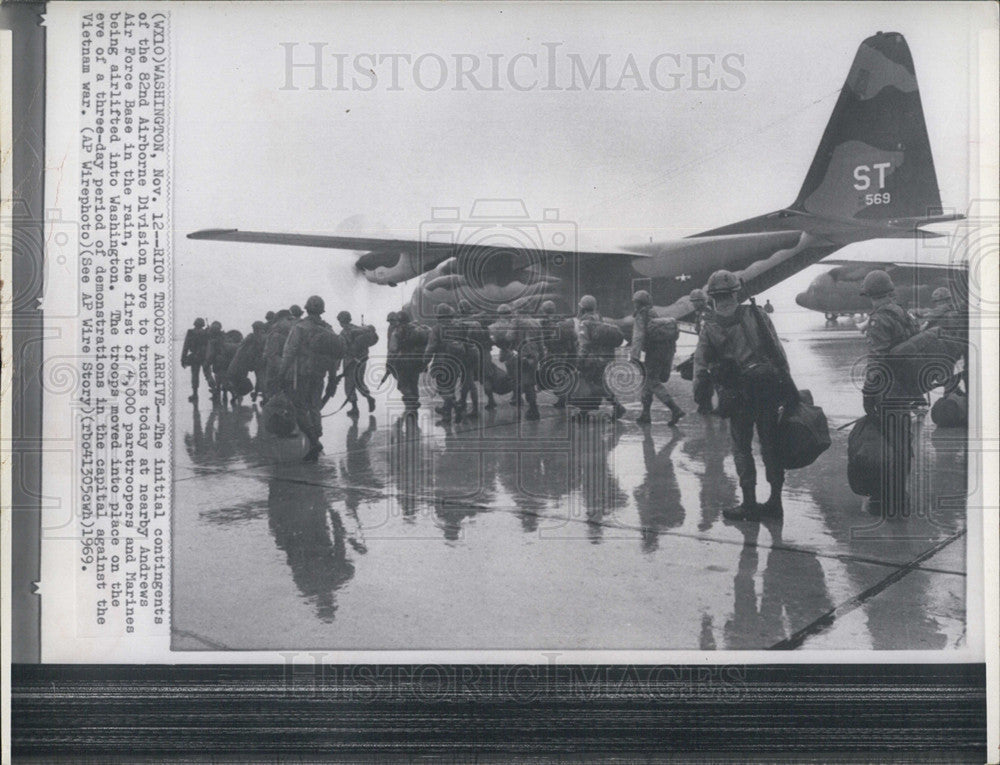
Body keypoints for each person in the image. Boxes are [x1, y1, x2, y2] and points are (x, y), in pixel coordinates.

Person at [694, 270, 798, 520]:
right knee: (770, 445)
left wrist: (702, 399)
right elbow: (777, 351)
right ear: (735, 292)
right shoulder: (756, 314)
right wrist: (787, 385)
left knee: (741, 448)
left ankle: (749, 503)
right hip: (766, 389)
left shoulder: (709, 327)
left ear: (713, 297)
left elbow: (700, 367)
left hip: (736, 395)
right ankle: (775, 502)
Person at [860, 269, 921, 516]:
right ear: (890, 291)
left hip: (887, 392)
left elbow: (877, 359)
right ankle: (900, 494)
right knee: (903, 443)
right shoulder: (904, 314)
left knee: (890, 445)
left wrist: (867, 391)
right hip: (905, 389)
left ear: (870, 294)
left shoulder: (879, 319)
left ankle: (891, 500)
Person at [280, 295, 343, 461]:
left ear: (306, 309)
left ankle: (314, 441)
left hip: (301, 373)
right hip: (320, 373)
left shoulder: (300, 327)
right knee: (315, 406)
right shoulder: (328, 328)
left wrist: (281, 373)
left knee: (299, 408)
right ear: (321, 310)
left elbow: (289, 352)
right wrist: (332, 378)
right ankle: (316, 437)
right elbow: (334, 356)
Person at [630, 290, 684, 425]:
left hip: (653, 354)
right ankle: (645, 414)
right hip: (666, 351)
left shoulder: (641, 315)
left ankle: (675, 409)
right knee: (647, 382)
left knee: (652, 381)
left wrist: (634, 357)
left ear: (637, 303)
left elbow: (638, 336)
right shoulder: (654, 313)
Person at [575, 295, 627, 419]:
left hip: (592, 359)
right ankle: (586, 411)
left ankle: (616, 406)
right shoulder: (600, 319)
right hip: (604, 358)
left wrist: (579, 361)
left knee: (588, 384)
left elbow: (584, 344)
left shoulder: (585, 323)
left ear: (582, 308)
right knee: (597, 383)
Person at [490, 303, 543, 420]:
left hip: (522, 355)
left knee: (525, 382)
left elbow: (509, 337)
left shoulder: (517, 322)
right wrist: (541, 357)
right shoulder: (536, 322)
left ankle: (533, 409)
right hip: (534, 356)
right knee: (530, 381)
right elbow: (540, 342)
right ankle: (531, 407)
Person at [423, 303, 465, 423]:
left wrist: (425, 361)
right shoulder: (458, 326)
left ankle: (457, 408)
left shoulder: (437, 329)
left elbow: (431, 347)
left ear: (439, 316)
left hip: (442, 363)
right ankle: (446, 414)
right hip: (456, 363)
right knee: (450, 388)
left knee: (443, 389)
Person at [337, 310, 377, 417]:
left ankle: (355, 408)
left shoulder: (344, 333)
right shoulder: (359, 329)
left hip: (350, 362)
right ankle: (369, 397)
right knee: (359, 381)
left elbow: (342, 350)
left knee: (349, 385)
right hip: (362, 360)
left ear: (341, 321)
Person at [538, 300, 576, 409]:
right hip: (565, 351)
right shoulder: (561, 319)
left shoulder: (544, 322)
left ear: (543, 310)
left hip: (553, 352)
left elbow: (542, 338)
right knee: (562, 374)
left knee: (558, 375)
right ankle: (566, 396)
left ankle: (562, 399)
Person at [391, 310, 428, 413]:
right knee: (413, 383)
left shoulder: (398, 331)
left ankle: (411, 401)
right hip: (417, 360)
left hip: (404, 361)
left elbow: (393, 348)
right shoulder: (418, 329)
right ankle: (414, 403)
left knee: (402, 384)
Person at [262, 309, 295, 399]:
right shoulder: (276, 335)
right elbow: (273, 356)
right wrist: (286, 368)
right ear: (280, 321)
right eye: (288, 320)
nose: (291, 322)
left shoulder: (287, 334)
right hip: (277, 377)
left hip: (283, 376)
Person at [180, 318, 211, 402]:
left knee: (194, 376)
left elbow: (185, 347)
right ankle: (215, 392)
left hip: (195, 357)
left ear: (195, 324)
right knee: (208, 375)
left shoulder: (191, 332)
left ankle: (195, 394)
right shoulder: (206, 332)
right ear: (203, 324)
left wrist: (183, 359)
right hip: (204, 357)